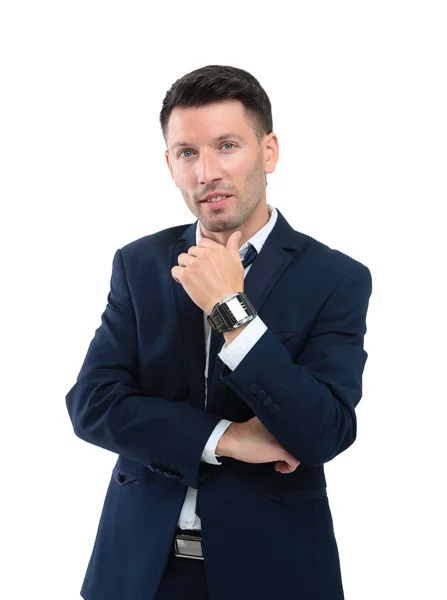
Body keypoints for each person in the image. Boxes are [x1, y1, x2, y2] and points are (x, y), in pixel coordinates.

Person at [66, 64, 372, 600]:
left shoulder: (336, 278)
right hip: (138, 570)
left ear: (269, 151)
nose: (206, 171)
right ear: (169, 164)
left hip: (275, 573)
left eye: (227, 146)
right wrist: (228, 440)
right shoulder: (139, 264)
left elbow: (324, 432)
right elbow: (92, 404)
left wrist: (231, 309)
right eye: (187, 152)